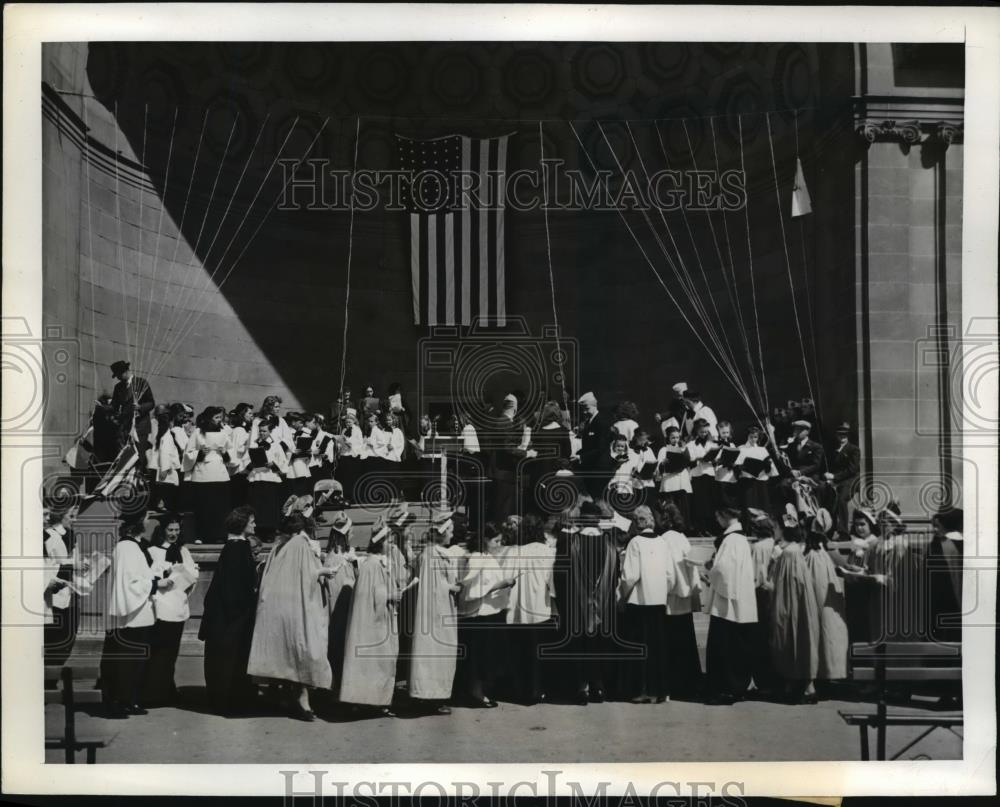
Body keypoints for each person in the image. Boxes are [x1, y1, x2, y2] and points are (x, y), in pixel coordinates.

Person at [247, 513, 334, 721]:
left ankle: (288, 694)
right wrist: (324, 571)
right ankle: (302, 698)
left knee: (286, 651)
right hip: (295, 605)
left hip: (277, 605)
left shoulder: (279, 547)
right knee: (302, 649)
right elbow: (307, 574)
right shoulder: (300, 545)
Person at [339, 518, 411, 716]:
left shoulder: (378, 564)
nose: (392, 545)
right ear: (380, 543)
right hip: (372, 624)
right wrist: (391, 595)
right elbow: (367, 596)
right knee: (374, 663)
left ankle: (375, 700)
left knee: (380, 662)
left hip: (381, 620)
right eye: (389, 542)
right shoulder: (371, 566)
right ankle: (368, 702)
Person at [100, 519, 166, 718]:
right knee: (127, 661)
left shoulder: (133, 547)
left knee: (132, 661)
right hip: (131, 615)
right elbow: (130, 583)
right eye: (145, 518)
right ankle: (123, 701)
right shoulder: (128, 548)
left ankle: (127, 699)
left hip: (135, 613)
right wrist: (156, 584)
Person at [198, 506, 260, 715]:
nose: (254, 524)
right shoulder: (239, 548)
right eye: (251, 521)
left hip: (226, 617)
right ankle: (230, 701)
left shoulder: (232, 547)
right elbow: (237, 587)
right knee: (231, 660)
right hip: (233, 619)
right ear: (242, 524)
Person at [562, 502, 619, 704]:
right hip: (604, 606)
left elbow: (563, 578)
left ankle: (581, 688)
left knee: (579, 645)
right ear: (598, 520)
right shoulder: (610, 544)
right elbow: (615, 578)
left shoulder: (571, 542)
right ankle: (599, 687)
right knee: (600, 644)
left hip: (577, 605)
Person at [409, 511, 462, 714]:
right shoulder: (431, 554)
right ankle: (429, 697)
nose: (452, 534)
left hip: (443, 609)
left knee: (442, 653)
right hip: (434, 612)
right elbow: (432, 586)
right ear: (442, 532)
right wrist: (450, 588)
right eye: (449, 530)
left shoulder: (437, 552)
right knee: (433, 653)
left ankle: (436, 695)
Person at [143, 513, 199, 706]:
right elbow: (149, 576)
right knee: (159, 650)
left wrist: (189, 576)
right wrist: (163, 574)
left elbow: (192, 572)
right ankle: (153, 693)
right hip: (161, 605)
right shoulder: (152, 551)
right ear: (163, 531)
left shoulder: (183, 550)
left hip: (178, 604)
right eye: (170, 530)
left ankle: (168, 688)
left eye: (177, 530)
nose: (174, 534)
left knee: (172, 651)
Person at [703, 507, 758, 705]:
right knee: (738, 646)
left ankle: (725, 690)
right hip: (739, 597)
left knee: (724, 647)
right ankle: (737, 687)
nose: (717, 521)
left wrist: (709, 571)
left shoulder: (731, 540)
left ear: (724, 516)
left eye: (718, 516)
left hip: (727, 601)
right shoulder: (740, 539)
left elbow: (723, 570)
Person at [619, 505, 671, 703]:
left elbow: (630, 575)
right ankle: (660, 690)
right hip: (659, 600)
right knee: (658, 647)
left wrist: (622, 595)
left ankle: (641, 689)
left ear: (638, 522)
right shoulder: (662, 542)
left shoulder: (635, 543)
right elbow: (669, 574)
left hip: (640, 601)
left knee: (640, 647)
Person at [503, 513, 556, 704]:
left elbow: (506, 579)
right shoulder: (547, 551)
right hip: (540, 608)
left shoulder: (514, 551)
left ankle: (521, 690)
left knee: (519, 652)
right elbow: (551, 580)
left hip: (517, 609)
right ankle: (538, 690)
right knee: (538, 653)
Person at [455, 523, 510, 707]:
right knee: (478, 656)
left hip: (489, 611)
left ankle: (478, 690)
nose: (498, 544)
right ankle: (475, 693)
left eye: (500, 541)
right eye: (496, 540)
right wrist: (501, 584)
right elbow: (471, 588)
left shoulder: (486, 556)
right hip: (479, 614)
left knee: (484, 656)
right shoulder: (477, 558)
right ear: (485, 540)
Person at [769, 511, 821, 704]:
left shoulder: (789, 553)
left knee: (792, 637)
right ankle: (803, 684)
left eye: (776, 528)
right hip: (797, 601)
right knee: (800, 638)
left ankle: (800, 685)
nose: (774, 531)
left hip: (791, 602)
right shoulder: (792, 551)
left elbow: (786, 583)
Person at [657, 501, 703, 699]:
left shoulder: (663, 540)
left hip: (669, 595)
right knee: (685, 640)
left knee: (670, 641)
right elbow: (691, 566)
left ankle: (672, 683)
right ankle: (689, 683)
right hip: (684, 595)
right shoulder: (683, 538)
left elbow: (666, 571)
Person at [803, 509, 849, 691]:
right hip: (827, 595)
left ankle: (816, 675)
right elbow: (844, 565)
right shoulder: (826, 549)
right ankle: (826, 672)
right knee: (827, 630)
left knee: (816, 631)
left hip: (815, 594)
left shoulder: (808, 551)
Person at [43, 504, 85, 667]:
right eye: (71, 516)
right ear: (61, 515)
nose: (74, 520)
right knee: (56, 642)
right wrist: (72, 565)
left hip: (72, 594)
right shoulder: (48, 536)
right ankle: (49, 684)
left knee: (69, 639)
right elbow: (48, 567)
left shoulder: (71, 535)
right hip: (55, 598)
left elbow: (75, 560)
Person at [184, 406, 231, 543]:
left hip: (220, 474)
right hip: (202, 474)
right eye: (216, 418)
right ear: (209, 418)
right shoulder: (198, 432)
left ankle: (219, 535)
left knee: (219, 508)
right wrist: (199, 452)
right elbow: (188, 453)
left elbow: (232, 454)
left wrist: (224, 452)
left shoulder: (223, 432)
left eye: (220, 418)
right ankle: (202, 535)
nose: (219, 421)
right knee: (203, 507)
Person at [323, 513, 357, 698]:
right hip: (339, 609)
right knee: (338, 644)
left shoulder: (344, 557)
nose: (353, 534)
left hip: (344, 606)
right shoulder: (336, 559)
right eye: (350, 531)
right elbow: (340, 588)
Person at [246, 418, 289, 541]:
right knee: (257, 506)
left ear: (270, 432)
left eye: (264, 431)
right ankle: (257, 531)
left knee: (269, 507)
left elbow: (283, 462)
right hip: (257, 477)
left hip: (270, 478)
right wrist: (252, 463)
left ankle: (269, 531)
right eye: (260, 431)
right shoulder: (254, 444)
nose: (262, 433)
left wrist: (273, 464)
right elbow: (246, 460)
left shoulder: (276, 445)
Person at [927, 507, 963, 643]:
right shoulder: (962, 543)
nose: (934, 530)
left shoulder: (942, 545)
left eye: (937, 526)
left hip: (944, 595)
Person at [110, 360, 156, 464]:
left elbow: (151, 403)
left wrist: (140, 407)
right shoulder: (118, 388)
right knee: (125, 456)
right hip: (125, 427)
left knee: (138, 455)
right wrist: (104, 407)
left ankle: (138, 477)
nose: (117, 378)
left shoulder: (141, 383)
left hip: (140, 427)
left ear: (125, 372)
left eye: (118, 375)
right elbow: (114, 405)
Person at [573, 391, 613, 501]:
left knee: (597, 500)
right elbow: (588, 446)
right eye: (583, 409)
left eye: (587, 408)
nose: (584, 412)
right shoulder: (589, 422)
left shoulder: (602, 422)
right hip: (591, 467)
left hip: (599, 469)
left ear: (594, 406)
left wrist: (581, 457)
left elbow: (601, 448)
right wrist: (577, 455)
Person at [687, 419, 719, 536]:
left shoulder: (712, 444)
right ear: (696, 431)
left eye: (706, 432)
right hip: (697, 475)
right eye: (702, 432)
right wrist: (698, 459)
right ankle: (700, 528)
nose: (704, 434)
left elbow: (716, 459)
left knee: (710, 503)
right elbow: (689, 461)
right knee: (699, 503)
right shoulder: (690, 445)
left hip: (709, 475)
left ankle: (710, 528)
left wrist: (714, 459)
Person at [656, 426, 692, 528]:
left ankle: (683, 527)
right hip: (670, 480)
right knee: (670, 505)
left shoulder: (682, 448)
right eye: (673, 438)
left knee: (682, 505)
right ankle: (670, 526)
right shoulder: (664, 449)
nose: (675, 440)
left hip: (681, 480)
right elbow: (659, 467)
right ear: (668, 437)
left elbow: (688, 462)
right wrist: (663, 463)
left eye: (677, 437)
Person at [735, 425, 776, 512]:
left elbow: (770, 468)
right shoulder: (741, 449)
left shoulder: (762, 450)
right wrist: (742, 467)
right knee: (750, 507)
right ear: (747, 436)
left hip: (761, 481)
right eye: (751, 437)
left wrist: (767, 465)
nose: (753, 439)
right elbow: (737, 466)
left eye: (755, 437)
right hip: (747, 483)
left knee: (763, 506)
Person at [829, 423, 860, 534]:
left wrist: (835, 477)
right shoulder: (835, 450)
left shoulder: (854, 449)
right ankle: (830, 528)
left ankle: (843, 531)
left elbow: (852, 470)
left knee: (841, 499)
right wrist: (830, 477)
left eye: (844, 436)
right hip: (838, 480)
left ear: (847, 437)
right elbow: (834, 467)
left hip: (851, 481)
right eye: (840, 436)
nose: (842, 438)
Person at [227, 403, 254, 506]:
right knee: (239, 499)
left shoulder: (241, 429)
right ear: (243, 414)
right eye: (249, 413)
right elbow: (239, 448)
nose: (252, 416)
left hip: (240, 469)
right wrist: (250, 442)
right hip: (239, 469)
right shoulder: (240, 430)